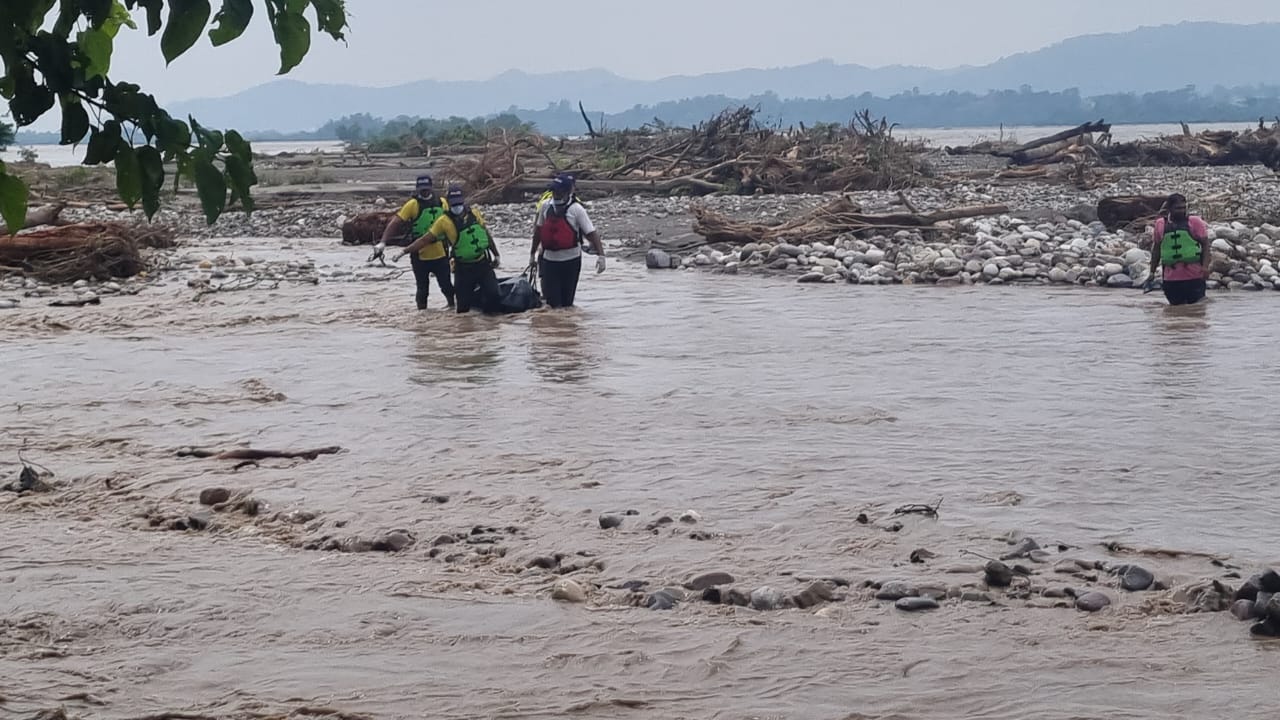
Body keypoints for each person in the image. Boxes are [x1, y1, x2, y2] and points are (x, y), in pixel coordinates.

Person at [395, 186, 501, 314]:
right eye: (454, 204)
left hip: (482, 264)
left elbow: (486, 234)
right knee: (462, 309)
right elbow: (424, 240)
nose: (457, 207)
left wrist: (496, 255)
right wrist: (404, 251)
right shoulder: (443, 222)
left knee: (493, 295)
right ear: (449, 204)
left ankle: (491, 328)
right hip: (463, 269)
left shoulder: (475, 213)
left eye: (459, 203)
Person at [373, 174, 454, 309]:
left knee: (446, 286)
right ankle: (422, 316)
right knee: (422, 289)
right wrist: (383, 242)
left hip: (441, 253)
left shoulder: (442, 203)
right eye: (422, 189)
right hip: (419, 255)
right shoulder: (412, 205)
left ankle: (453, 309)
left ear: (431, 188)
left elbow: (452, 225)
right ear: (417, 189)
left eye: (427, 188)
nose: (425, 191)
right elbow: (395, 222)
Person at [530, 174, 605, 308]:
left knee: (567, 304)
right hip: (549, 261)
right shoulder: (545, 207)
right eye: (552, 191)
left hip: (571, 262)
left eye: (557, 191)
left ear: (566, 192)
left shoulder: (576, 209)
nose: (554, 194)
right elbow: (538, 232)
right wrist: (532, 255)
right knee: (553, 305)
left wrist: (601, 256)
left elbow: (591, 233)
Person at [1150, 193, 1210, 306]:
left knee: (1198, 311)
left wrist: (1205, 267)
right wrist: (1152, 272)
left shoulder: (1195, 222)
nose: (1182, 211)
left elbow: (1206, 245)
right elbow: (1156, 250)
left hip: (1194, 277)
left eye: (1184, 208)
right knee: (1175, 314)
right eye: (1178, 208)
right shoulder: (1160, 224)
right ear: (1169, 209)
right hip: (1171, 279)